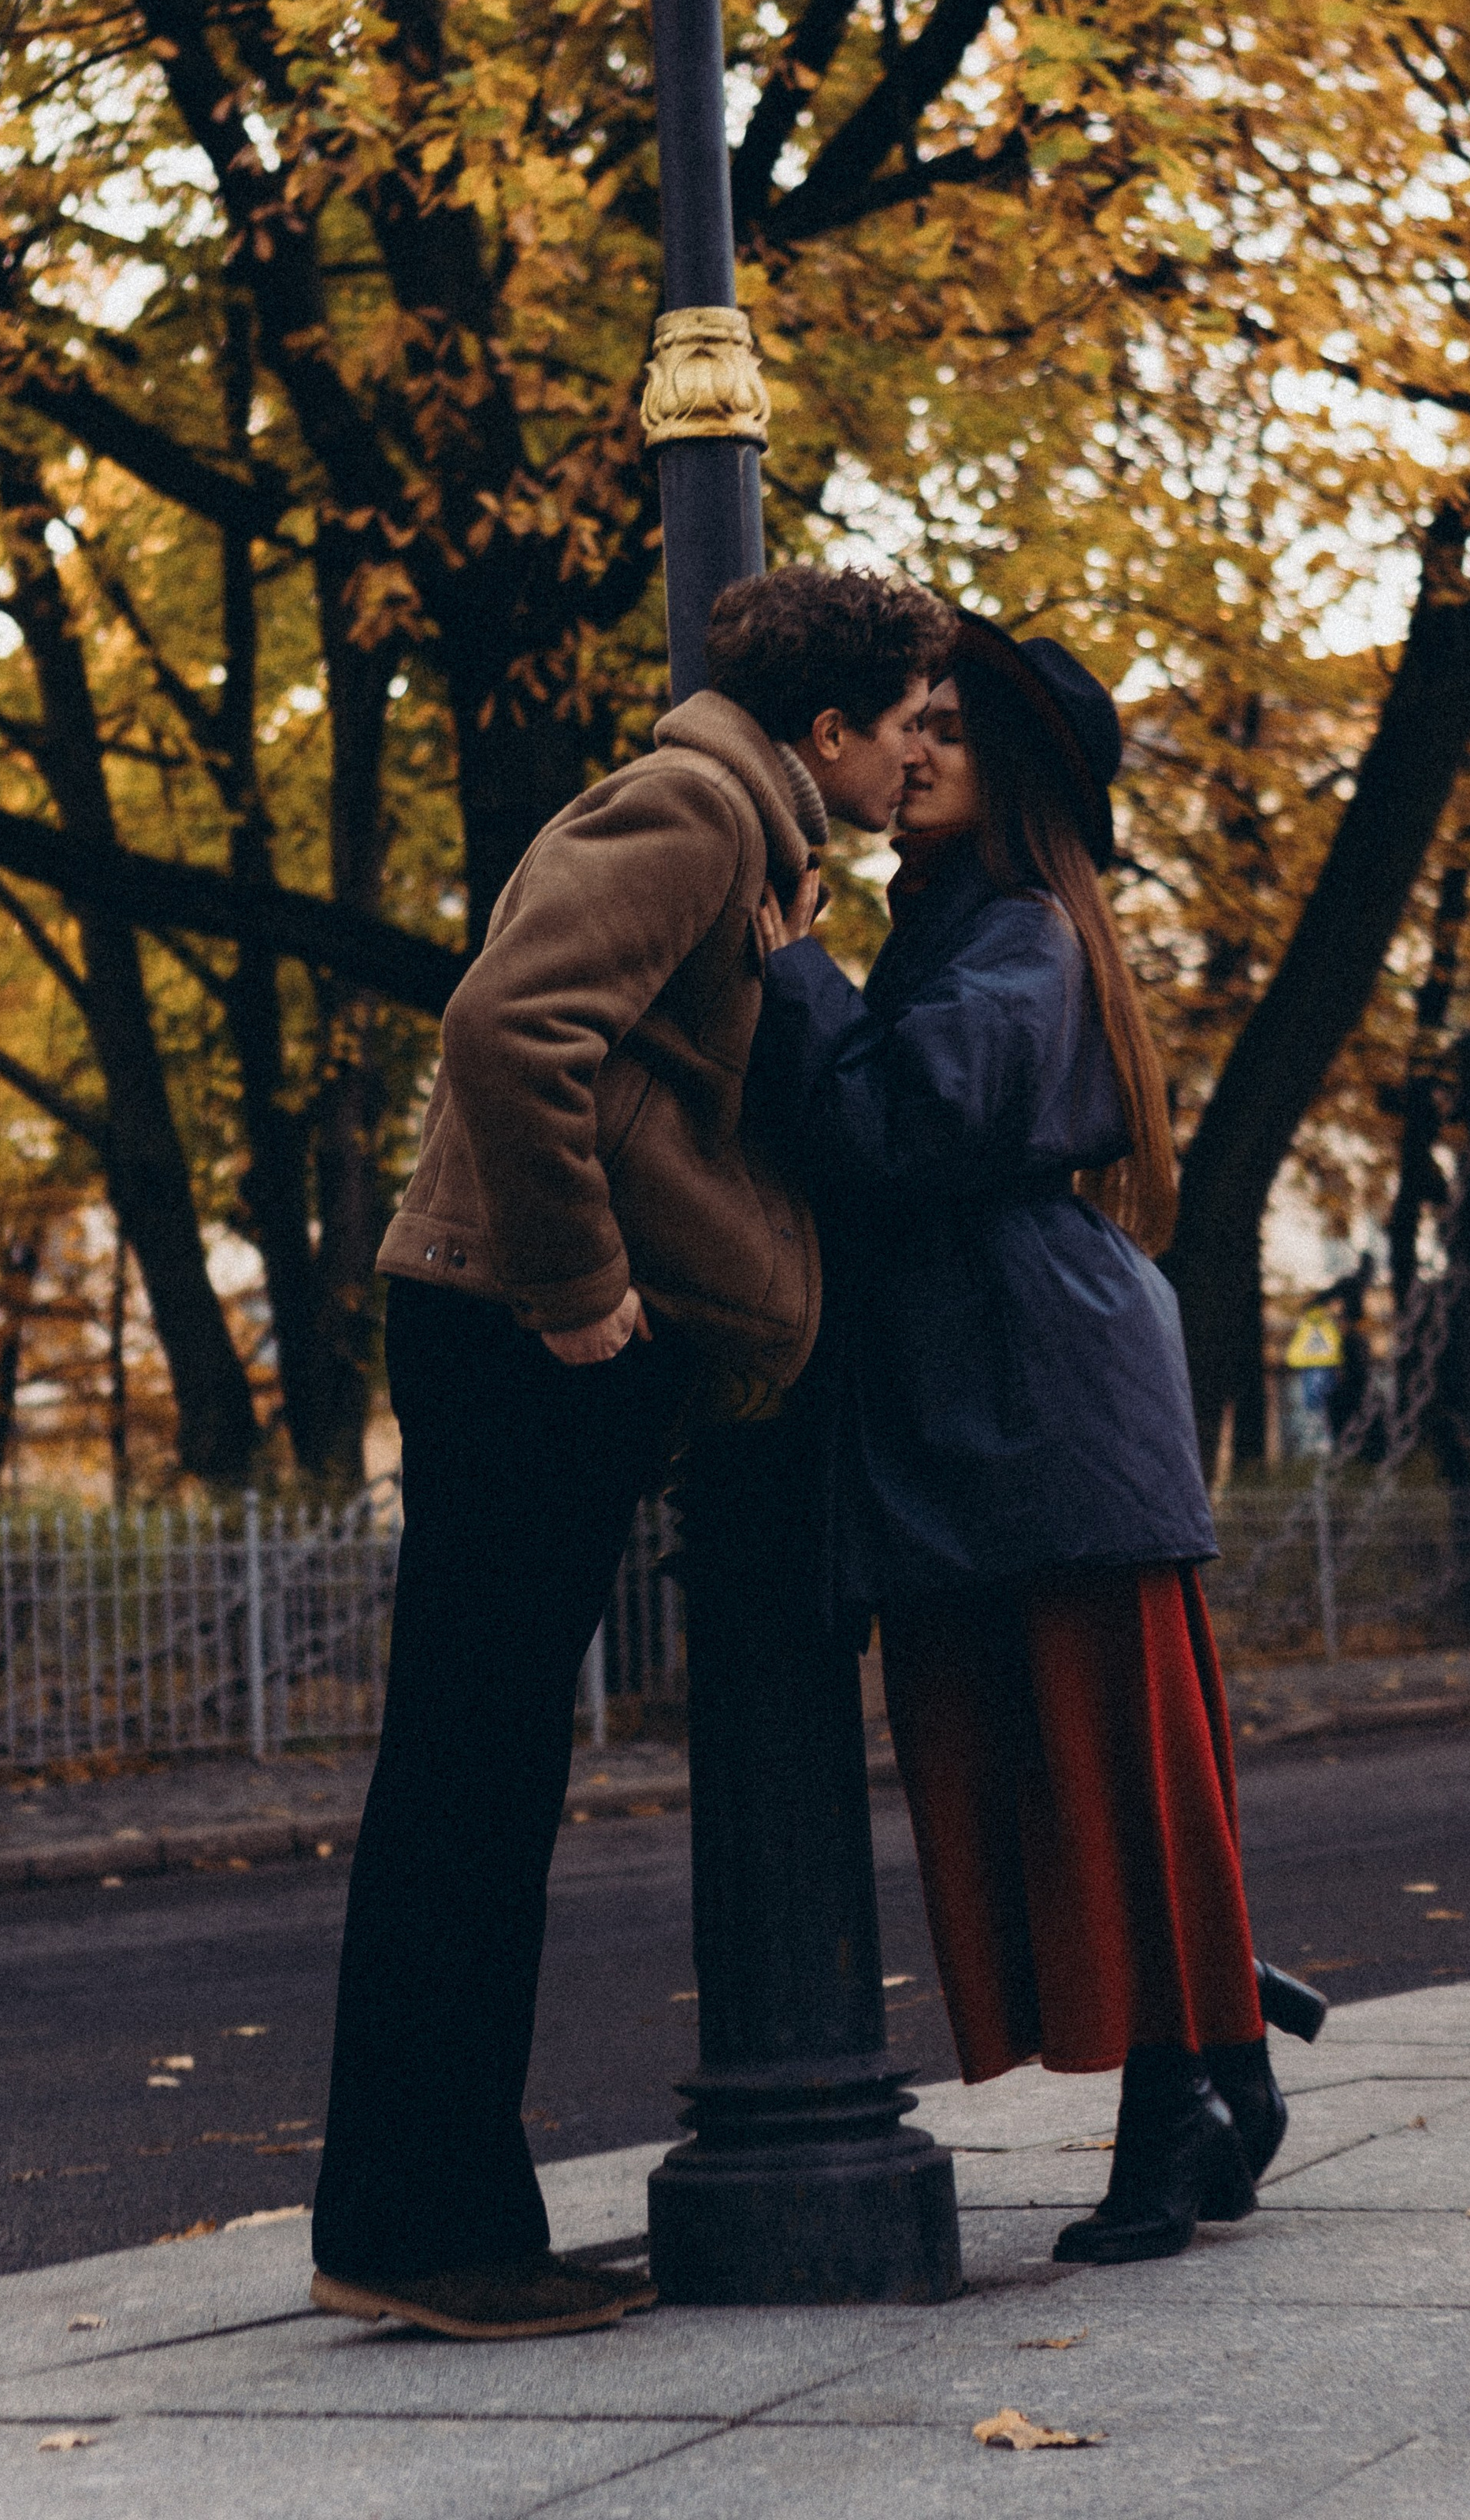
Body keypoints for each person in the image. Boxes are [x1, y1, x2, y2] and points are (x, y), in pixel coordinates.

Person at [310, 565, 949, 2343]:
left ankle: (421, 2212)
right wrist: (583, 1293)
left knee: (478, 1772)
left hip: (525, 1336)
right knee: (469, 1777)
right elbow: (507, 1030)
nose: (916, 759)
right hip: (518, 1335)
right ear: (825, 728)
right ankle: (419, 2230)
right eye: (903, 726)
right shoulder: (690, 810)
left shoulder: (745, 832)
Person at [749, 610, 1320, 2269]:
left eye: (941, 727)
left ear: (1011, 776)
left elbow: (882, 1122)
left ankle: (1181, 2107)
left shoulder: (1018, 933)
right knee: (1043, 1772)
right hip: (988, 1400)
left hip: (1037, 1403)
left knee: (1097, 1774)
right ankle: (1215, 2056)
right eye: (904, 722)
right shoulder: (956, 926)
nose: (902, 747)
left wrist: (788, 963)